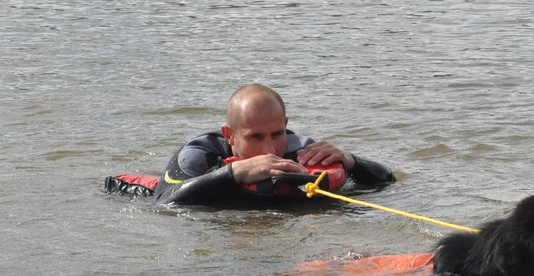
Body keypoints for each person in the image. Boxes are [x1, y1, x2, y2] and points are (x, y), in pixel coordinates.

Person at [153, 84, 395, 207]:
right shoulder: (197, 155)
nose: (269, 149)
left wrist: (351, 161)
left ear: (285, 125)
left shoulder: (302, 150)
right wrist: (234, 173)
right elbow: (163, 202)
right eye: (256, 137)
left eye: (277, 134)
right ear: (230, 135)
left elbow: (387, 181)